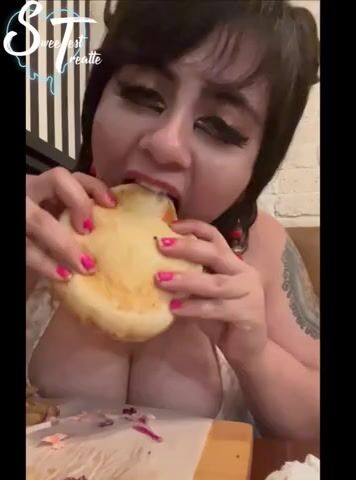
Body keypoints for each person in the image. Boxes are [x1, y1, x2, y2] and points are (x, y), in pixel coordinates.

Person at [25, 0, 320, 441]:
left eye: (219, 126)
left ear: (256, 168)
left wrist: (256, 355)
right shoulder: (37, 219)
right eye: (143, 94)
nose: (165, 144)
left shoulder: (260, 247)